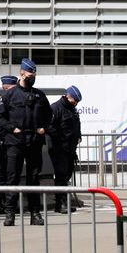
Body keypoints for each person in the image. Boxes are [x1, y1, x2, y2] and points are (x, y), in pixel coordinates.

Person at [0, 58, 52, 227]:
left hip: (34, 142)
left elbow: (49, 115)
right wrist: (12, 128)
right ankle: (10, 213)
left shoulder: (39, 95)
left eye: (34, 73)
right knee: (12, 177)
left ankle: (35, 213)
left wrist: (44, 128)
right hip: (15, 142)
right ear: (22, 73)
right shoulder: (9, 95)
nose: (32, 76)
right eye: (30, 73)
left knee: (33, 179)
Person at [48, 85, 83, 214]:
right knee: (61, 175)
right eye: (75, 100)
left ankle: (64, 201)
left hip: (70, 148)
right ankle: (60, 203)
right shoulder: (56, 108)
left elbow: (77, 124)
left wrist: (78, 136)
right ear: (68, 96)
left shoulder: (72, 109)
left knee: (67, 174)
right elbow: (50, 127)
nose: (76, 103)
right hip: (59, 148)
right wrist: (60, 141)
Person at [0, 76, 18, 187]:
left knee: (11, 172)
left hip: (10, 142)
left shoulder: (12, 101)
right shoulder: (1, 103)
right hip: (3, 143)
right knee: (1, 172)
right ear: (5, 88)